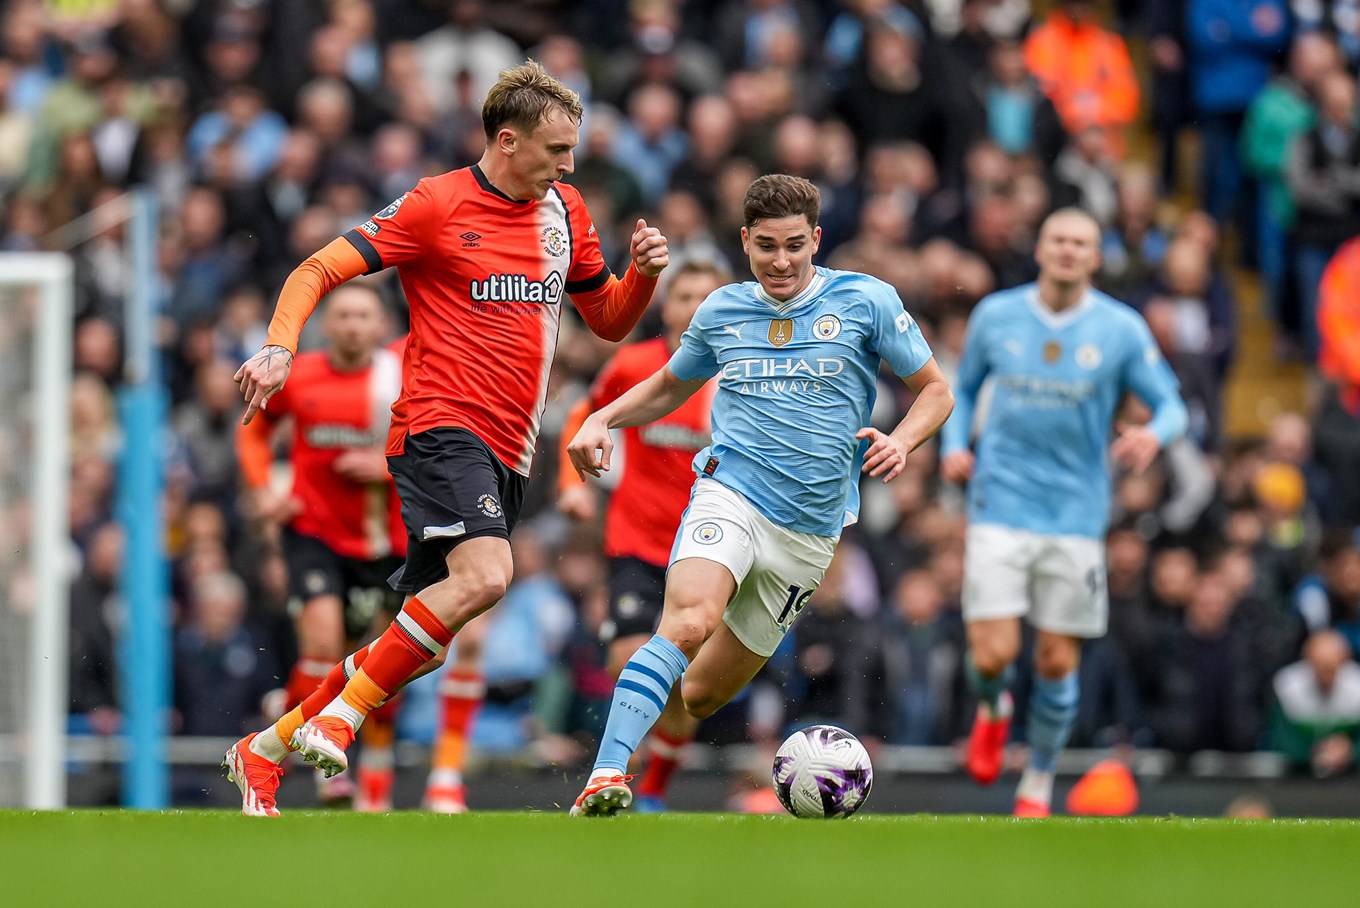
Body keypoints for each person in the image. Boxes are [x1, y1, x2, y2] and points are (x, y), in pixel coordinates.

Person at [222, 59, 670, 817]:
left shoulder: (568, 209)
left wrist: (644, 277)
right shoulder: (436, 204)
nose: (570, 163)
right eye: (557, 149)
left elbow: (609, 320)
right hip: (439, 426)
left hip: (511, 449)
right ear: (506, 140)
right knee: (490, 576)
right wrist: (279, 345)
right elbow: (318, 267)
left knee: (428, 632)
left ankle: (263, 751)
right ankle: (340, 717)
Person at [565, 173, 955, 816]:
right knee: (687, 620)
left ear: (816, 239)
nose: (781, 261)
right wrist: (602, 417)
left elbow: (935, 390)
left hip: (808, 535)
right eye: (766, 246)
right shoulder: (722, 309)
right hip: (731, 493)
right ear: (745, 241)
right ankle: (607, 776)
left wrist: (903, 439)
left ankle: (648, 755)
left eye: (795, 246)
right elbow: (669, 386)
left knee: (701, 695)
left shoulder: (867, 301)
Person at [939, 207, 1188, 817]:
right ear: (1042, 249)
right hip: (999, 501)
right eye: (1059, 240)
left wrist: (1154, 435)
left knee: (1055, 660)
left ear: (1095, 256)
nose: (1069, 250)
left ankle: (1037, 785)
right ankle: (994, 707)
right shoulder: (996, 315)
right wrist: (954, 444)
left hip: (1076, 515)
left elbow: (1173, 404)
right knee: (992, 654)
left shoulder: (1120, 329)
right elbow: (961, 387)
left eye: (1081, 242)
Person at [557, 260, 730, 812]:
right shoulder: (634, 365)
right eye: (685, 296)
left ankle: (652, 789)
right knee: (628, 656)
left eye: (708, 297)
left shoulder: (743, 376)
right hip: (636, 543)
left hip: (711, 551)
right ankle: (618, 773)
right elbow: (587, 414)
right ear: (668, 306)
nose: (696, 307)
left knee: (686, 684)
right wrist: (573, 483)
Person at [235, 284, 407, 811]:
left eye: (364, 315)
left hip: (388, 541)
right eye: (344, 315)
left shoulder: (402, 376)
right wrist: (265, 489)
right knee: (323, 642)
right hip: (314, 534)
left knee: (382, 664)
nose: (354, 324)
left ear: (380, 326)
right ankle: (324, 772)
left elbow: (436, 445)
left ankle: (307, 723)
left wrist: (383, 467)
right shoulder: (301, 374)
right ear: (326, 325)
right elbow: (254, 429)